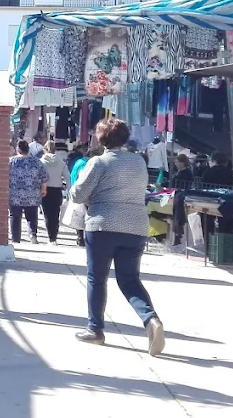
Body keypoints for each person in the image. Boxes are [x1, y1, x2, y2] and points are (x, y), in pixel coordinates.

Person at [71, 117, 165, 354]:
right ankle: (150, 319)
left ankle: (95, 329)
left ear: (101, 138)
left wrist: (74, 189)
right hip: (135, 226)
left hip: (103, 225)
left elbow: (78, 195)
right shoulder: (139, 162)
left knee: (97, 278)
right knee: (130, 279)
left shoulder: (98, 163)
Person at [9, 140, 48, 244]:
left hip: (15, 195)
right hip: (32, 194)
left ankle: (15, 238)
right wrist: (43, 189)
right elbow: (44, 178)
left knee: (15, 217)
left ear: (18, 149)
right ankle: (32, 234)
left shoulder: (11, 162)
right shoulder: (36, 162)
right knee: (31, 216)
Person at [70, 145, 105, 247]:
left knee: (80, 216)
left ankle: (81, 238)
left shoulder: (80, 162)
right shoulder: (86, 164)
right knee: (84, 216)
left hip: (77, 191)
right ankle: (82, 238)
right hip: (85, 194)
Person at [40, 140, 69, 244]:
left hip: (45, 190)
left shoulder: (41, 162)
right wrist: (69, 191)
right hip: (57, 190)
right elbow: (67, 177)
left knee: (47, 214)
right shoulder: (61, 162)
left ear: (44, 149)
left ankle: (50, 238)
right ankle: (55, 237)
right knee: (56, 214)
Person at [170, 153, 194, 245]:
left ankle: (178, 234)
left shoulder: (187, 173)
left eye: (177, 162)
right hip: (176, 194)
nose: (176, 164)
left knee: (178, 213)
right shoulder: (179, 172)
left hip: (181, 195)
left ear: (182, 163)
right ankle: (177, 234)